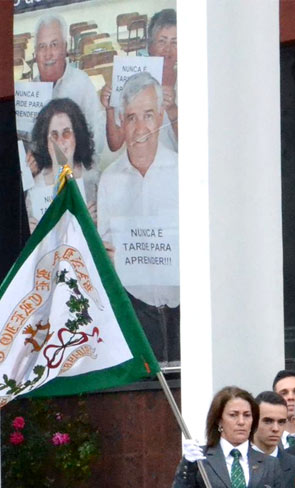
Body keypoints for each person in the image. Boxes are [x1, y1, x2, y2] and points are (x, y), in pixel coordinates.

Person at [95, 72, 179, 359]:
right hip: (135, 313)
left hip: (184, 311)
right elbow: (105, 246)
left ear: (159, 118)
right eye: (131, 117)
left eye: (147, 116)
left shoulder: (184, 172)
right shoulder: (109, 180)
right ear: (121, 122)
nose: (139, 127)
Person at [28, 15, 109, 159]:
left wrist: (80, 165)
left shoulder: (81, 82)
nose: (48, 54)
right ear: (35, 54)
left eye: (54, 44)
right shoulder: (29, 94)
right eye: (42, 46)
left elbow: (98, 133)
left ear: (65, 48)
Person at [102, 9, 179, 153]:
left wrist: (172, 109)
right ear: (150, 46)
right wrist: (110, 109)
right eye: (162, 41)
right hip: (138, 166)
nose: (168, 49)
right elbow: (115, 144)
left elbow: (195, 146)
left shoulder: (192, 81)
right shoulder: (133, 79)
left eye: (175, 42)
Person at [23, 98, 98, 227]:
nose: (60, 141)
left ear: (77, 135)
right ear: (45, 141)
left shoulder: (94, 181)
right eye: (54, 135)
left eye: (66, 133)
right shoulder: (35, 189)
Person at [252, 392, 292, 458]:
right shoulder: (239, 462)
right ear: (253, 420)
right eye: (268, 421)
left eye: (281, 422)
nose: (275, 429)